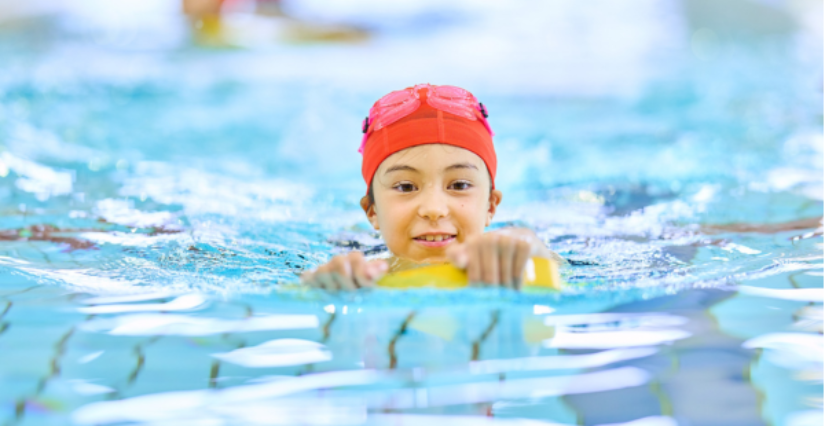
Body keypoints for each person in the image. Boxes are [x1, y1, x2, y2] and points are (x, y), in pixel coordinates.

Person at [301, 84, 562, 291]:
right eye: (405, 187)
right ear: (372, 212)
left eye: (459, 185)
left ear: (491, 206)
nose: (434, 209)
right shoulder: (357, 275)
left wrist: (539, 255)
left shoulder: (527, 254)